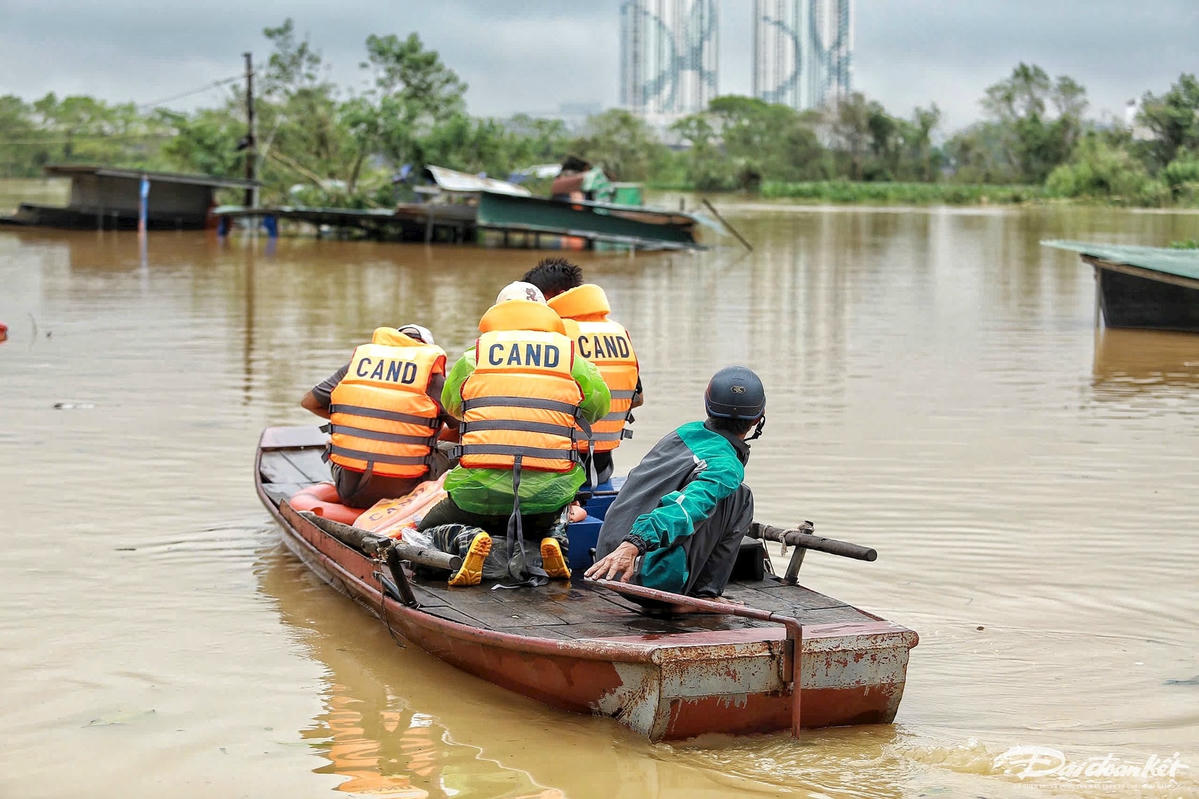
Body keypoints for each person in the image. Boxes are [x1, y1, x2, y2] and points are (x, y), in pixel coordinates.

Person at [418, 282, 611, 586]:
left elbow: (453, 409)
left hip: (476, 498)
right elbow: (598, 408)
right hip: (546, 500)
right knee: (553, 510)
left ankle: (468, 538)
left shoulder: (474, 357)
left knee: (422, 534)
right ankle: (552, 539)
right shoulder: (572, 358)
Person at [585, 366, 765, 603]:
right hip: (645, 578)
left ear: (707, 405)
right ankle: (705, 596)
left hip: (608, 555)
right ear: (757, 419)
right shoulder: (726, 465)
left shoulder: (683, 433)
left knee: (725, 493)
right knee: (741, 496)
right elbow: (686, 506)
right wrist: (634, 543)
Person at [300, 324, 457, 509]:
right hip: (408, 494)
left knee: (333, 444)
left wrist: (354, 422)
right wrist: (420, 434)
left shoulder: (357, 366)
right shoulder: (432, 377)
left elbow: (309, 402)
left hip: (350, 493)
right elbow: (462, 429)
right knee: (457, 450)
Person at [523, 258, 643, 485]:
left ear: (558, 294)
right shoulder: (618, 332)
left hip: (557, 467)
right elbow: (636, 399)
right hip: (602, 465)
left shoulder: (555, 336)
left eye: (540, 301)